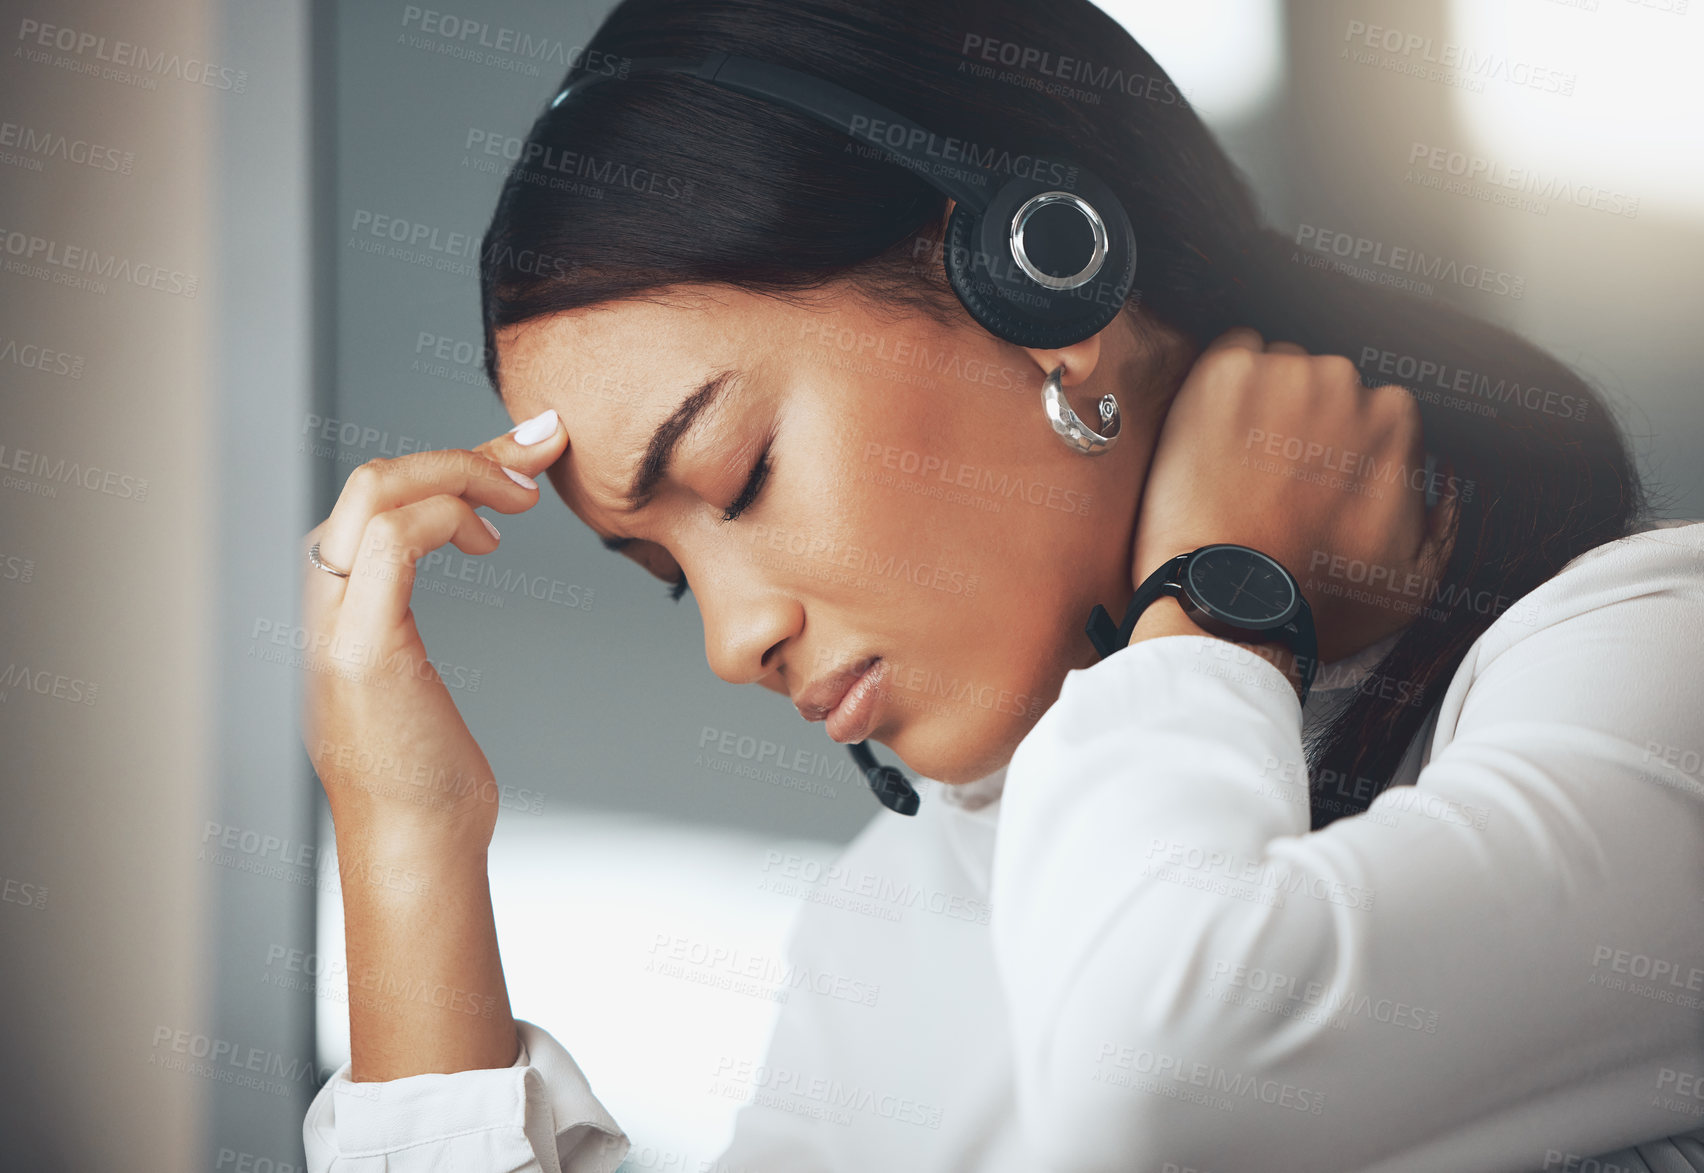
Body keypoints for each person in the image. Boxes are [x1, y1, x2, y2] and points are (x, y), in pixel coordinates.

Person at [296, 0, 1704, 1169]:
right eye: (667, 574)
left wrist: (1217, 600)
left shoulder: (1651, 669)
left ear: (1045, 273)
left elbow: (1168, 1076)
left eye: (737, 475)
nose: (735, 640)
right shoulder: (899, 915)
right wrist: (407, 842)